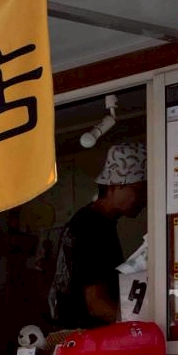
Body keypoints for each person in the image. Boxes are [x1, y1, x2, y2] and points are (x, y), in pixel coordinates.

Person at [48, 139, 148, 331]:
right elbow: (97, 305)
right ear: (115, 185)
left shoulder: (87, 219)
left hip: (73, 333)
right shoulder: (94, 227)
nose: (144, 199)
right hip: (86, 336)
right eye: (140, 190)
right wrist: (139, 328)